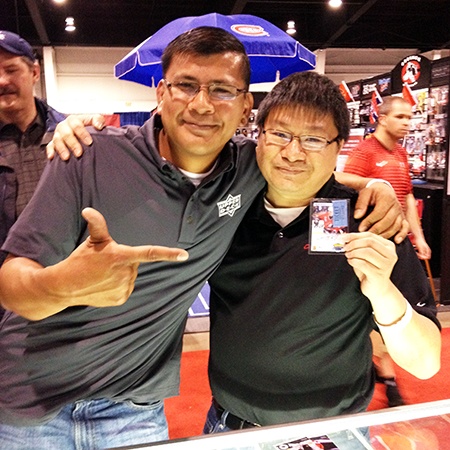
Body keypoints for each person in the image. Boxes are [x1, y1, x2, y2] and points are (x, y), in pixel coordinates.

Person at [0, 27, 405, 449]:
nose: (202, 104)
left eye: (222, 90)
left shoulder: (248, 167)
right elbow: (11, 283)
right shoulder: (88, 152)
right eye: (186, 86)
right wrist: (61, 286)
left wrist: (376, 186)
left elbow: (303, 167)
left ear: (246, 107)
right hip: (32, 402)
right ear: (161, 93)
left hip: (134, 407)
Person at [203, 73, 440, 444]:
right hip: (230, 428)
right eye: (279, 134)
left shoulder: (371, 221)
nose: (293, 152)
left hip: (334, 435)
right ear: (259, 136)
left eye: (313, 139)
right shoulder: (224, 210)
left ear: (339, 145)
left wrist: (381, 289)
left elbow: (425, 364)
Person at [343, 96, 432, 407]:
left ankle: (383, 370)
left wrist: (418, 236)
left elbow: (406, 196)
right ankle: (387, 376)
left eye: (409, 117)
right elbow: (347, 193)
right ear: (382, 119)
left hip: (398, 246)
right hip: (370, 248)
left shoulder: (401, 153)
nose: (407, 123)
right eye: (400, 117)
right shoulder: (364, 153)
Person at [0, 30, 66, 266]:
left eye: (11, 70)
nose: (2, 81)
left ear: (35, 72)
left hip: (65, 273)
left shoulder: (70, 136)